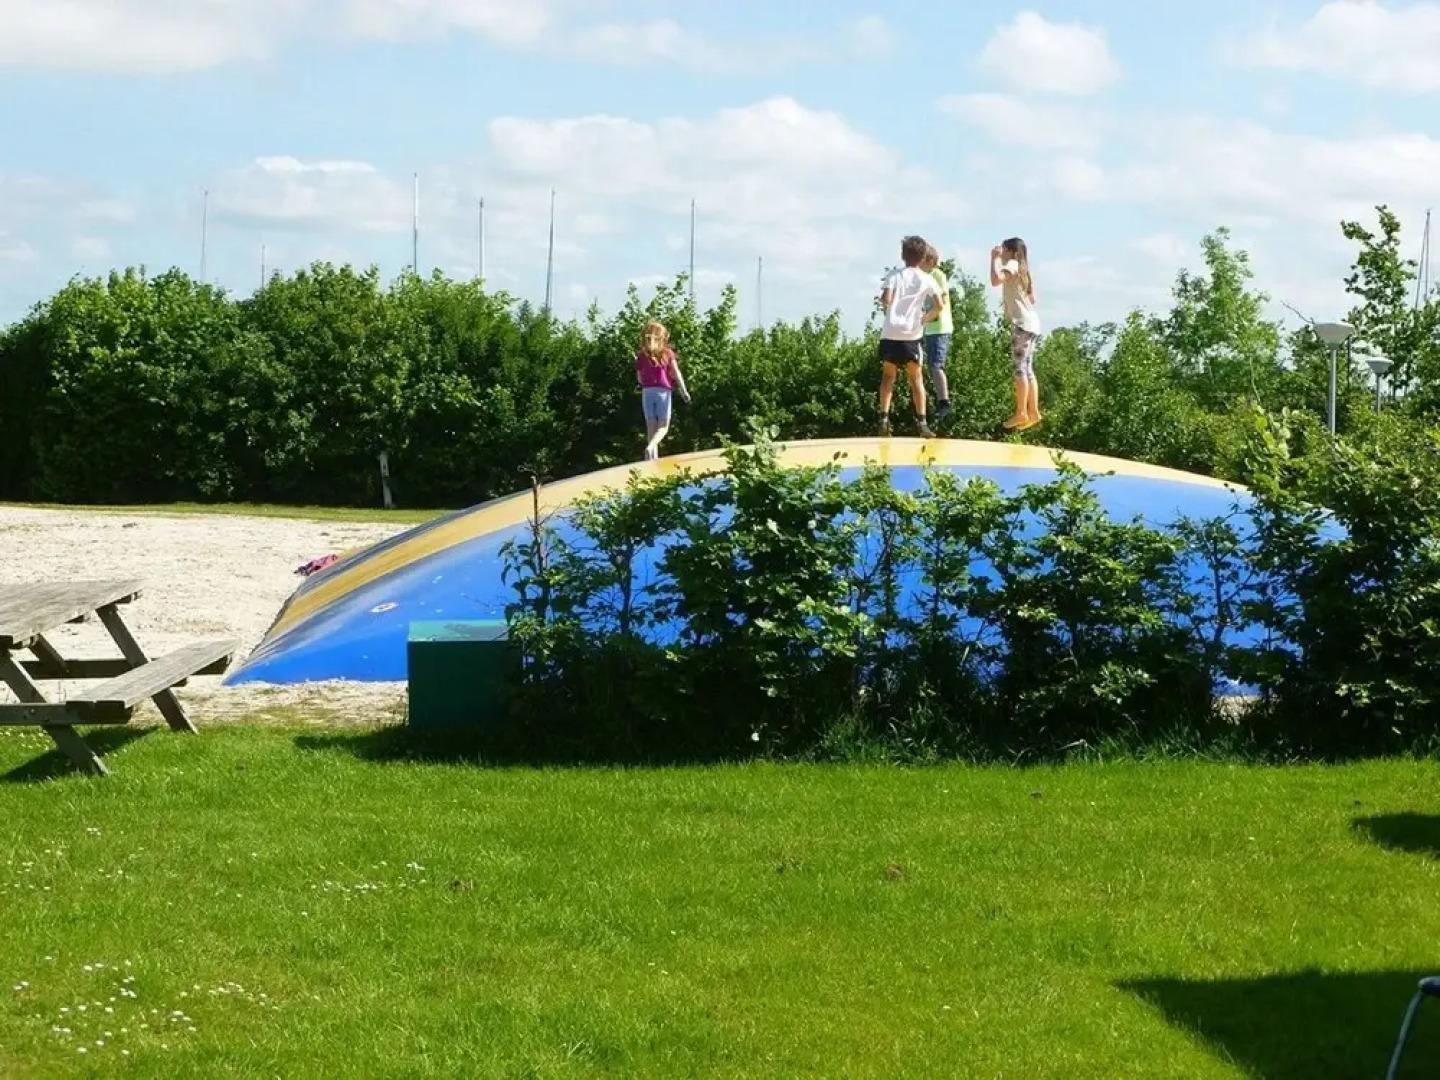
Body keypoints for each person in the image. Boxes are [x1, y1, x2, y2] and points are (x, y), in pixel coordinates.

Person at [877, 235, 943, 437]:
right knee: (916, 379)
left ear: (902, 255)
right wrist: (924, 318)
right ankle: (922, 423)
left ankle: (884, 418)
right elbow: (940, 305)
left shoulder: (894, 275)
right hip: (912, 334)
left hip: (890, 332)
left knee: (888, 378)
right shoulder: (927, 278)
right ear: (923, 257)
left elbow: (886, 299)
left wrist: (890, 306)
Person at [990, 237, 1041, 431]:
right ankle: (1033, 411)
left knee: (1020, 368)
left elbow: (995, 280)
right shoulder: (1024, 269)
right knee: (1028, 368)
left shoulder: (1012, 264)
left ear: (1010, 251)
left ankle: (1021, 411)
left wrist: (994, 259)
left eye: (1003, 249)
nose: (1000, 251)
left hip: (1021, 324)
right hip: (1032, 322)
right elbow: (1032, 298)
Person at [635, 320, 690, 461]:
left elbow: (640, 379)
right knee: (663, 427)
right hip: (663, 392)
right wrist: (684, 391)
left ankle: (651, 459)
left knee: (651, 428)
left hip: (647, 392)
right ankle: (651, 447)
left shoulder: (642, 355)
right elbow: (676, 372)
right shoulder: (667, 353)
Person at [919, 242, 953, 422]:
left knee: (936, 365)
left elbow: (943, 300)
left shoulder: (937, 275)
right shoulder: (923, 276)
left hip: (939, 327)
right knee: (929, 366)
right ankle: (937, 398)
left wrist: (926, 316)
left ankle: (944, 402)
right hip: (929, 328)